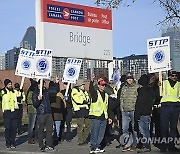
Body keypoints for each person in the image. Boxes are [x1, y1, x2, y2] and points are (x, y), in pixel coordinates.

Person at [33, 79, 59, 152]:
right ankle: (41, 145)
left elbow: (55, 90)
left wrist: (57, 83)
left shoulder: (47, 92)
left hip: (48, 113)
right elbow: (35, 104)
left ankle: (49, 145)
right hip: (41, 113)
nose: (43, 85)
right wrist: (38, 99)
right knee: (40, 130)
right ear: (38, 85)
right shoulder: (35, 93)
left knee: (50, 130)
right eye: (41, 84)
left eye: (44, 84)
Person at [89, 73, 112, 154]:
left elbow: (107, 107)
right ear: (98, 85)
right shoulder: (95, 93)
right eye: (102, 85)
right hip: (96, 116)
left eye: (104, 85)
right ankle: (93, 147)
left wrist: (109, 117)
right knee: (95, 132)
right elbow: (91, 90)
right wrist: (91, 81)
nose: (103, 86)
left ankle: (98, 146)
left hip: (104, 117)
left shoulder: (106, 95)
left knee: (101, 134)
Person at [159, 70, 180, 152]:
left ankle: (172, 145)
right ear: (169, 76)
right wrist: (158, 84)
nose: (174, 77)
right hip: (165, 106)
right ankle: (163, 146)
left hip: (175, 107)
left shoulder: (179, 84)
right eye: (172, 75)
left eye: (175, 76)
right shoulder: (163, 83)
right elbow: (157, 91)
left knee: (173, 128)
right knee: (164, 127)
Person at [135, 74, 155, 153]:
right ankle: (146, 145)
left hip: (142, 113)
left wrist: (137, 115)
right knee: (146, 130)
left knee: (144, 131)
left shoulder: (142, 91)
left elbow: (139, 104)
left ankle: (146, 146)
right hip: (148, 112)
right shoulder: (150, 90)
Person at [119, 72, 139, 152]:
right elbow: (121, 98)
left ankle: (135, 144)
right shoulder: (124, 87)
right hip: (125, 111)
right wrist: (122, 108)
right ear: (126, 80)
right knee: (125, 128)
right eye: (128, 78)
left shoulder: (137, 87)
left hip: (133, 111)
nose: (129, 80)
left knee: (135, 128)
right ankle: (127, 144)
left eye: (131, 78)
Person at [71, 80, 91, 145]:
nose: (83, 86)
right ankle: (81, 141)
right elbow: (78, 100)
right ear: (79, 86)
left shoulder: (85, 92)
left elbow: (88, 99)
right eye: (82, 85)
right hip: (79, 110)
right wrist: (84, 101)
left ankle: (85, 138)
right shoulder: (74, 91)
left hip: (86, 109)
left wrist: (86, 101)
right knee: (80, 126)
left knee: (88, 125)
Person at [1, 79, 19, 149]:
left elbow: (20, 96)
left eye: (11, 84)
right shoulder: (3, 92)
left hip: (14, 111)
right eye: (9, 84)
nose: (10, 85)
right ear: (6, 85)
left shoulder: (14, 91)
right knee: (8, 128)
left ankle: (13, 142)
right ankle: (8, 143)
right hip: (7, 112)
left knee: (14, 128)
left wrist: (20, 90)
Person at [49, 80, 66, 146]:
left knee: (50, 127)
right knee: (57, 126)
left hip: (50, 113)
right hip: (58, 113)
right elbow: (64, 104)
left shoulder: (47, 93)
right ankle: (56, 138)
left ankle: (50, 138)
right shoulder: (60, 94)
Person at [26, 79, 38, 144]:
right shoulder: (30, 91)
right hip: (32, 109)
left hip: (37, 110)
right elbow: (28, 100)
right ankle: (30, 138)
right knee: (31, 125)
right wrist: (35, 102)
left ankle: (36, 137)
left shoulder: (37, 91)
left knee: (37, 125)